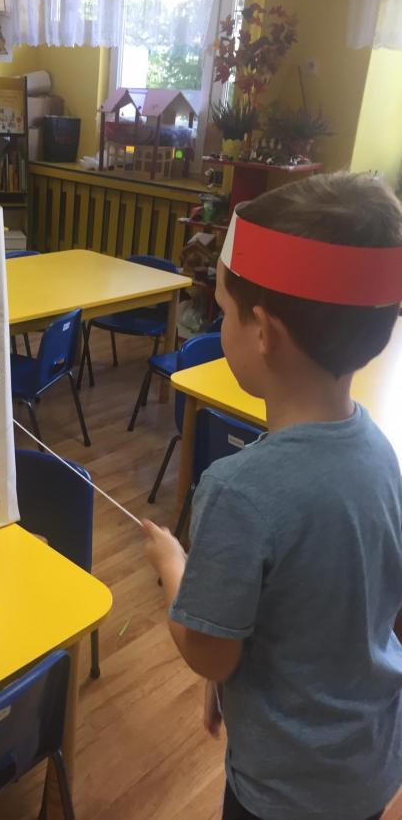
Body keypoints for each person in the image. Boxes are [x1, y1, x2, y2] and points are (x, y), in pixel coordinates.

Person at [143, 172, 402, 820]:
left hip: (283, 791)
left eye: (223, 312)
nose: (219, 323)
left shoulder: (238, 490)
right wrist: (233, 676)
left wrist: (173, 565)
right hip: (369, 767)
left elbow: (208, 651)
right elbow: (334, 610)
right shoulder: (380, 452)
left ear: (262, 331)